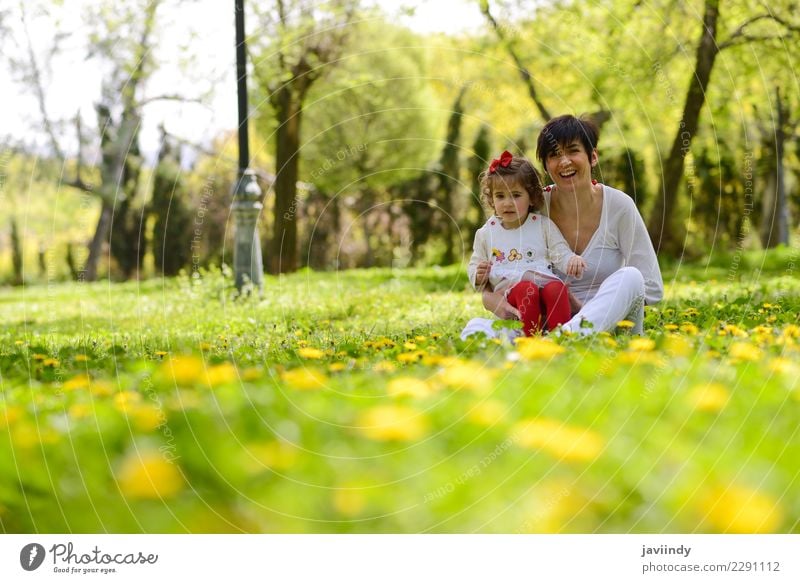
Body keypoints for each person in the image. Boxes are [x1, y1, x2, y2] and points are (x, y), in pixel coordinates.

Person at [462, 115, 663, 340]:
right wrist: (488, 297)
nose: (564, 161)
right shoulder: (532, 207)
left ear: (593, 156)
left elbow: (651, 286)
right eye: (554, 155)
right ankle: (555, 340)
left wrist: (589, 310)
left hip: (609, 318)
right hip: (549, 318)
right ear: (547, 166)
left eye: (573, 151)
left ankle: (565, 338)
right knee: (474, 330)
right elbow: (499, 253)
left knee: (631, 276)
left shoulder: (619, 206)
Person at [467, 150, 586, 336]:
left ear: (531, 197)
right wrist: (478, 275)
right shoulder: (486, 233)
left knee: (557, 288)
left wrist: (571, 260)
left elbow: (559, 251)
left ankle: (560, 338)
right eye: (500, 196)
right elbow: (475, 264)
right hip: (511, 294)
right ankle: (529, 340)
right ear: (491, 199)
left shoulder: (541, 225)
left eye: (515, 195)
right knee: (526, 289)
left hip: (544, 286)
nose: (507, 203)